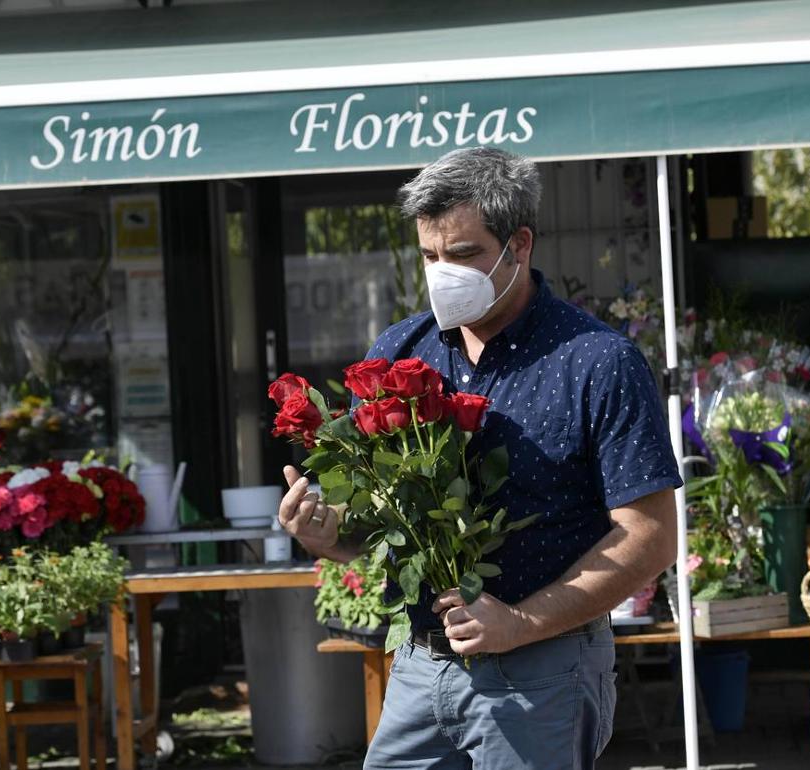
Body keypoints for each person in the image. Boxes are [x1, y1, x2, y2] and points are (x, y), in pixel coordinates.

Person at [278, 147, 681, 769]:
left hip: (543, 671)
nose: (443, 273)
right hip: (420, 665)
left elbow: (649, 538)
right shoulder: (399, 352)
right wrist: (333, 534)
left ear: (519, 245)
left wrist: (520, 621)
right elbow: (397, 529)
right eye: (430, 256)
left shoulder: (598, 362)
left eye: (463, 254)